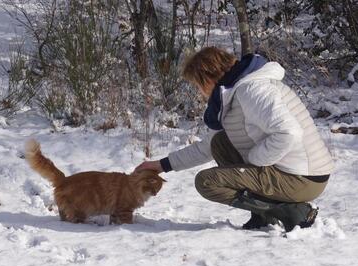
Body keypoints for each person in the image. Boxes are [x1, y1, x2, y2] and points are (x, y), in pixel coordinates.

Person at [135, 47, 334, 232]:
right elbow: (208, 148)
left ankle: (292, 213)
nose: (199, 92)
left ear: (208, 77)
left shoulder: (252, 90)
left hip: (303, 179)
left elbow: (289, 133)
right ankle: (262, 216)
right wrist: (161, 165)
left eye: (197, 85)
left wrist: (254, 160)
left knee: (207, 182)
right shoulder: (232, 94)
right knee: (220, 143)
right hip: (293, 173)